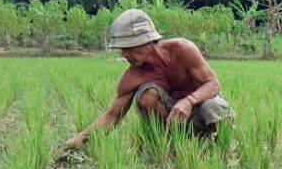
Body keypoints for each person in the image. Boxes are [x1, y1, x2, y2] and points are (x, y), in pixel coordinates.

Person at [64, 9, 234, 149]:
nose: (124, 54)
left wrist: (189, 101)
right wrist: (80, 138)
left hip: (200, 112)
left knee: (215, 106)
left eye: (128, 47)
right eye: (121, 49)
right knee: (147, 94)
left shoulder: (182, 49)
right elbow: (112, 116)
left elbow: (213, 84)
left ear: (147, 41)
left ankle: (221, 150)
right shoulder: (132, 77)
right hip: (172, 124)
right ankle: (167, 148)